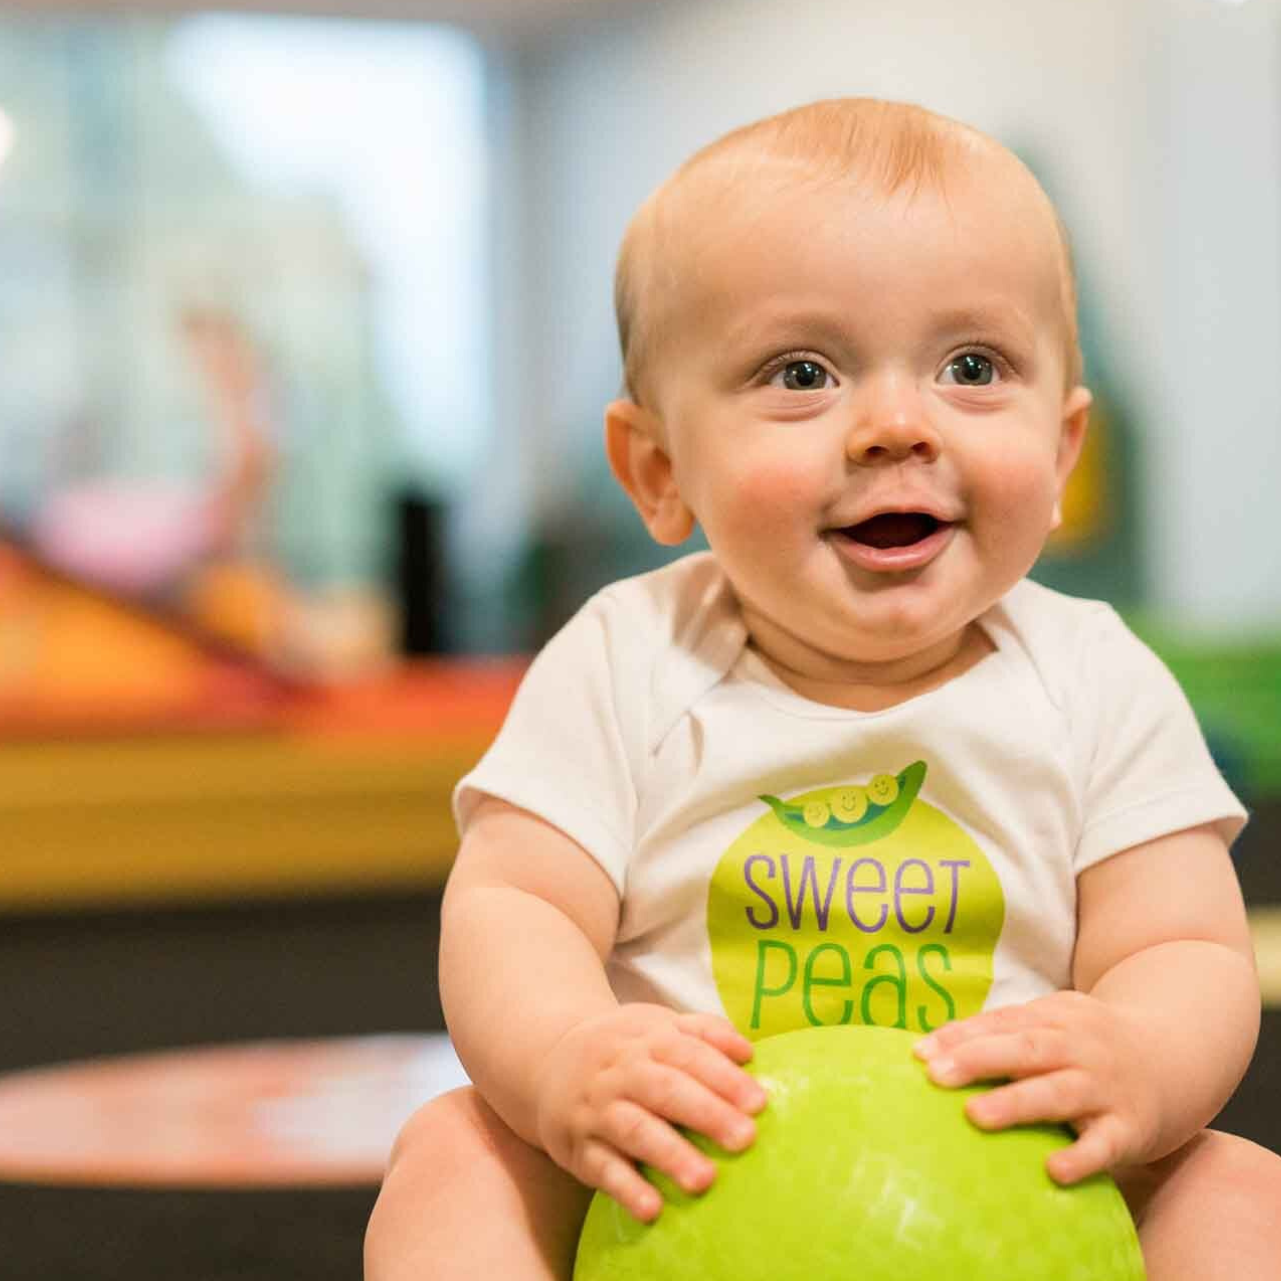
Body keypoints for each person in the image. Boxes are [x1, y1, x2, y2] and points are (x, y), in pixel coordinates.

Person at [365, 98, 1281, 1279]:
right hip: (679, 1174)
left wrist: (1138, 1057)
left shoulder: (1098, 678)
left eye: (972, 366)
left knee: (1241, 1188)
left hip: (1016, 1180)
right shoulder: (624, 656)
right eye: (802, 373)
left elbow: (1187, 946)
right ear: (659, 469)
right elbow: (516, 907)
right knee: (455, 1154)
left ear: (1060, 457)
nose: (895, 425)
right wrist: (568, 1058)